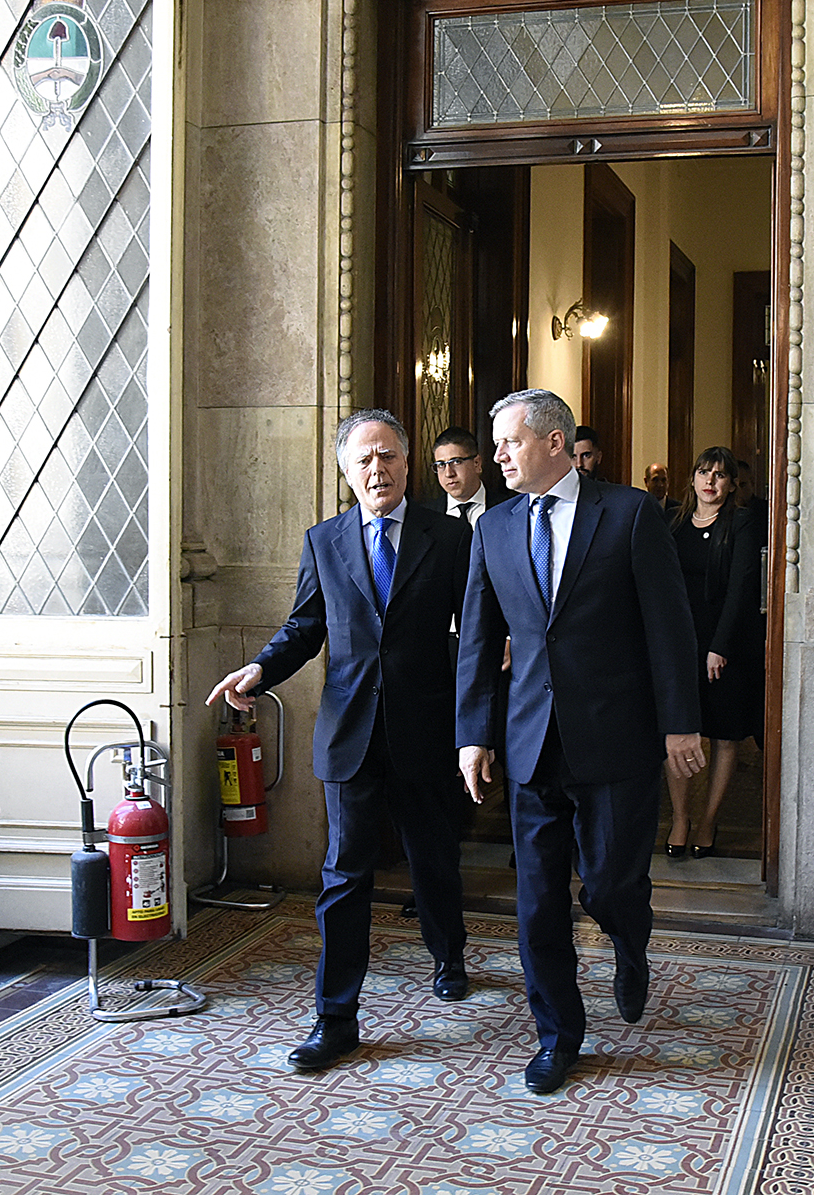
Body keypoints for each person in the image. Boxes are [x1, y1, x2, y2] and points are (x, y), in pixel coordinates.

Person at [208, 409, 472, 1073]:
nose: (376, 469)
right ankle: (336, 1019)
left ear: (408, 464)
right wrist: (261, 668)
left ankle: (449, 953)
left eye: (387, 456)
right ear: (345, 470)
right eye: (363, 460)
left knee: (432, 857)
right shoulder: (324, 541)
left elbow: (476, 628)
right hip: (350, 731)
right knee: (343, 874)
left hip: (426, 727)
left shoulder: (449, 537)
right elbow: (305, 626)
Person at [457, 389, 705, 1094]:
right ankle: (557, 1035)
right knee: (536, 901)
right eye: (494, 445)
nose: (496, 456)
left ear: (556, 443)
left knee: (608, 884)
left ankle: (630, 940)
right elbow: (477, 640)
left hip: (616, 740)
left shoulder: (627, 514)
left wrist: (679, 722)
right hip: (531, 743)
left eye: (508, 442)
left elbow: (669, 625)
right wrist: (473, 734)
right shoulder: (494, 529)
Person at [663, 446, 764, 860]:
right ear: (692, 479)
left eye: (719, 475)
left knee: (723, 736)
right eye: (703, 472)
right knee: (678, 733)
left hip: (726, 645)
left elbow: (741, 589)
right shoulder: (674, 523)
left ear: (730, 483)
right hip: (681, 644)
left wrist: (718, 647)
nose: (710, 481)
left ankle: (708, 820)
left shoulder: (741, 522)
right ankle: (681, 817)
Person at [427, 425, 510, 528]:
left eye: (456, 462)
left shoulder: (509, 508)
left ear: (477, 463)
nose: (449, 473)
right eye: (441, 465)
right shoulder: (427, 515)